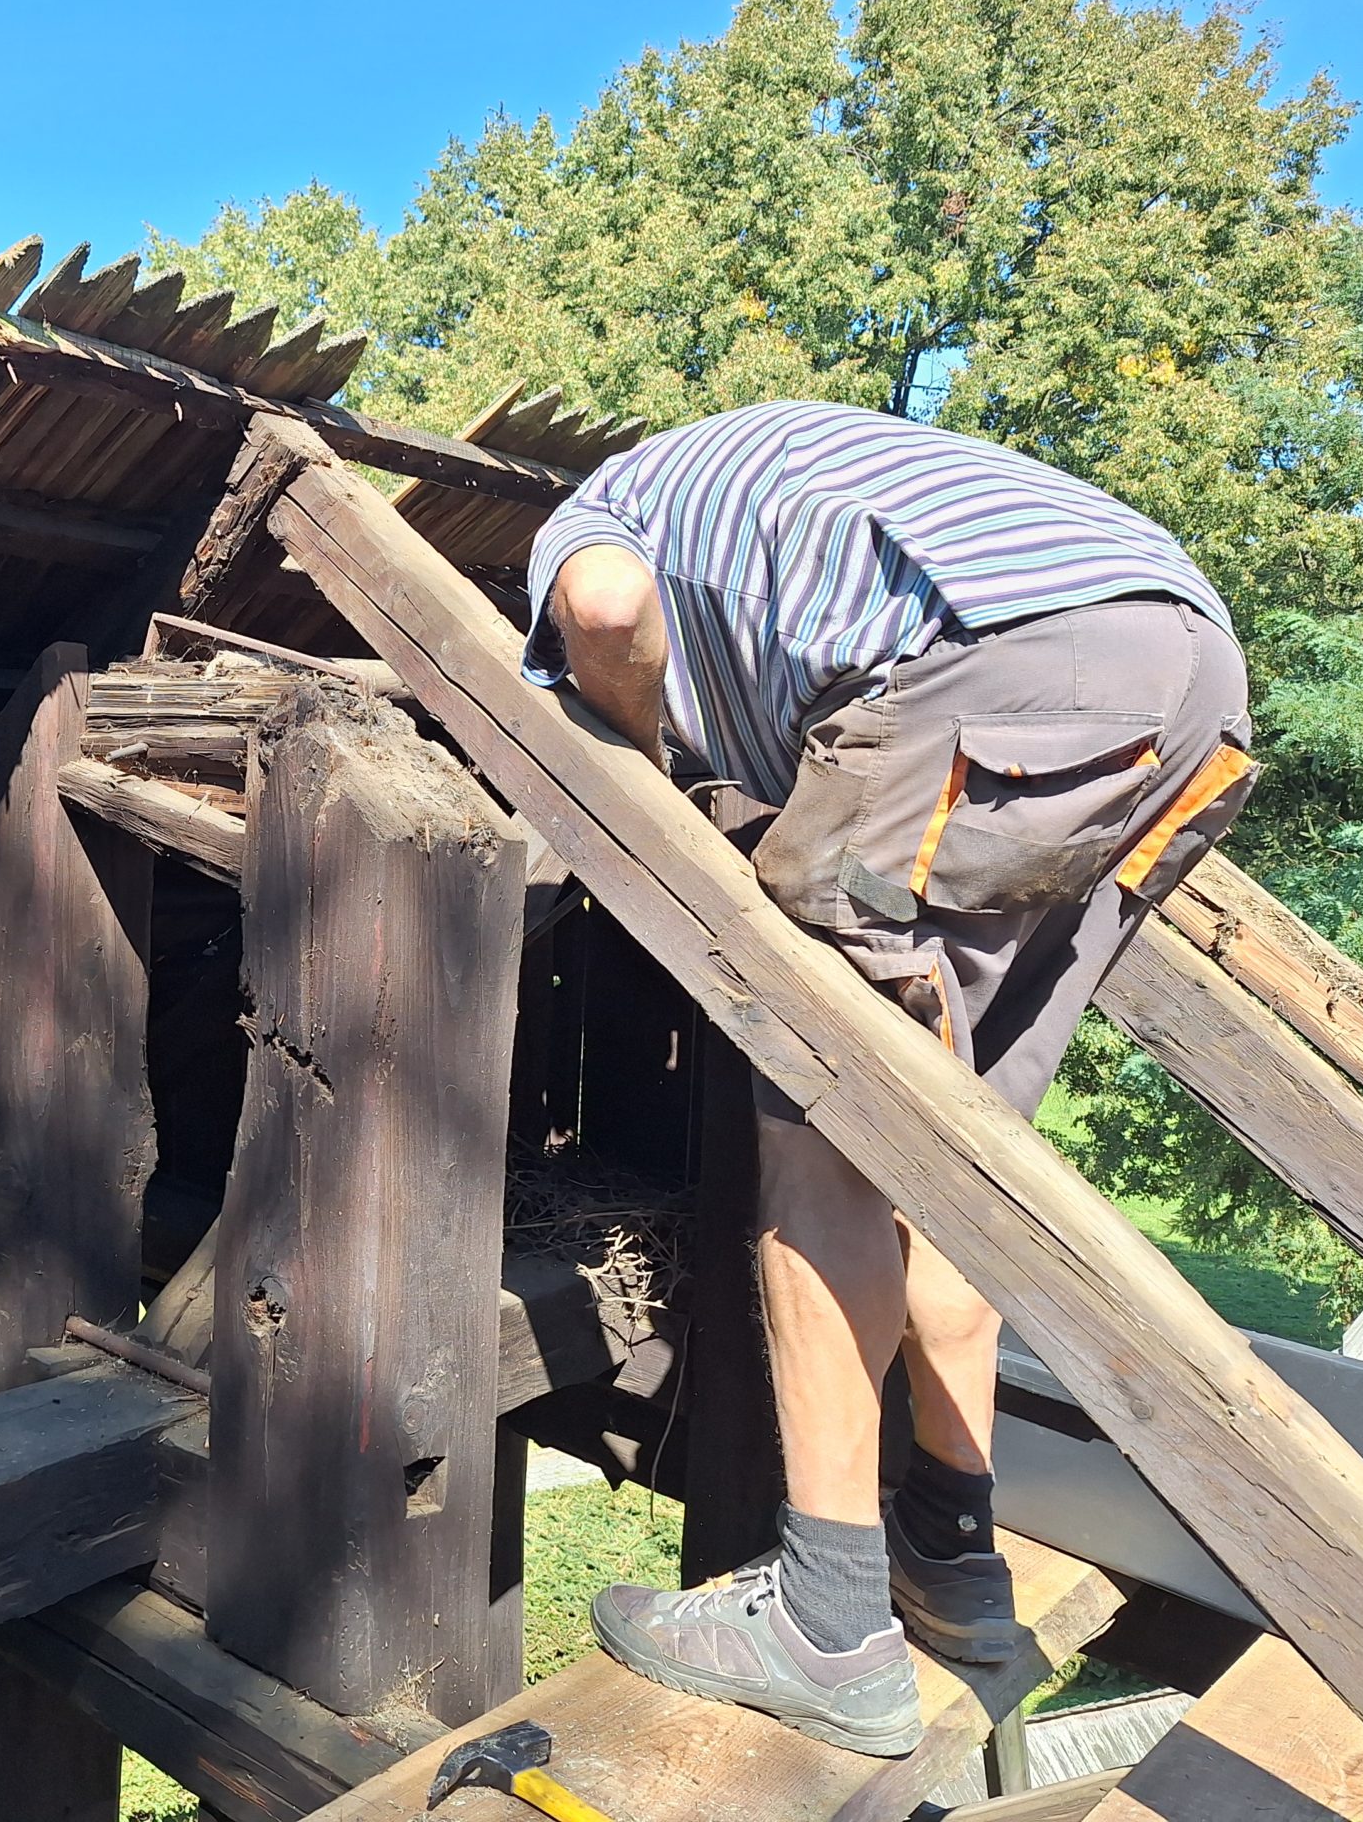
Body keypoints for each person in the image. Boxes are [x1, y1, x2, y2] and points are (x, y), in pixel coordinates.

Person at [522, 399, 1258, 1757]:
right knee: (954, 1139)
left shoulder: (601, 512)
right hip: (1195, 681)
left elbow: (608, 608)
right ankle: (951, 1551)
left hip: (1001, 673)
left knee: (828, 1140)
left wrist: (646, 757)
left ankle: (827, 1622)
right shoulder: (782, 488)